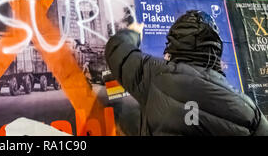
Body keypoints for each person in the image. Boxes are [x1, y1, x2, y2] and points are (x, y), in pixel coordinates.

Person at [105, 10, 268, 135]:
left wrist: (133, 33)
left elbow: (118, 51)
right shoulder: (249, 111)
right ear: (216, 50)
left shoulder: (153, 74)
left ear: (174, 45)